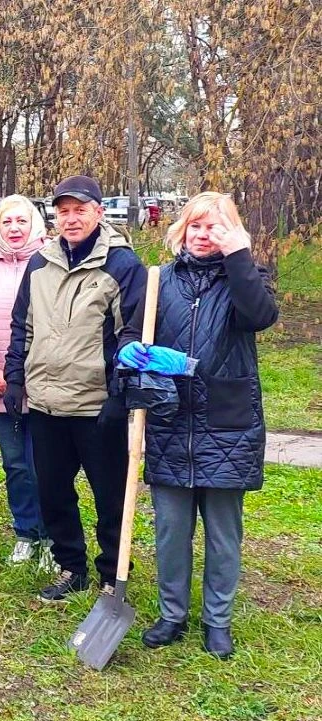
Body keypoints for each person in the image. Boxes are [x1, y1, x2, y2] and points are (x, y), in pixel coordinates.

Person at [116, 192, 278, 660]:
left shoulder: (247, 277)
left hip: (228, 424)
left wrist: (238, 257)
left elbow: (260, 317)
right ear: (182, 230)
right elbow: (133, 332)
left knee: (223, 534)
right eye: (196, 226)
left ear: (232, 232)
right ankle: (172, 615)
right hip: (169, 419)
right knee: (171, 530)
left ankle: (217, 621)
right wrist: (129, 350)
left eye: (215, 227)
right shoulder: (160, 280)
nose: (204, 235)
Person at [3, 175, 147, 602]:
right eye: (63, 211)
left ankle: (112, 573)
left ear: (98, 213)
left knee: (110, 497)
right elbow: (22, 325)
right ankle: (71, 567)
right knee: (53, 493)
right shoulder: (40, 264)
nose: (71, 218)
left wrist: (120, 396)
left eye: (80, 210)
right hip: (46, 403)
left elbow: (133, 333)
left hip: (97, 406)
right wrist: (15, 378)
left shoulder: (122, 266)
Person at [0, 195, 52, 568]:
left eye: (22, 221)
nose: (14, 228)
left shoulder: (51, 265)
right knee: (15, 464)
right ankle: (26, 533)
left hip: (43, 385)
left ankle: (52, 538)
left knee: (45, 466)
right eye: (7, 222)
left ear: (34, 224)